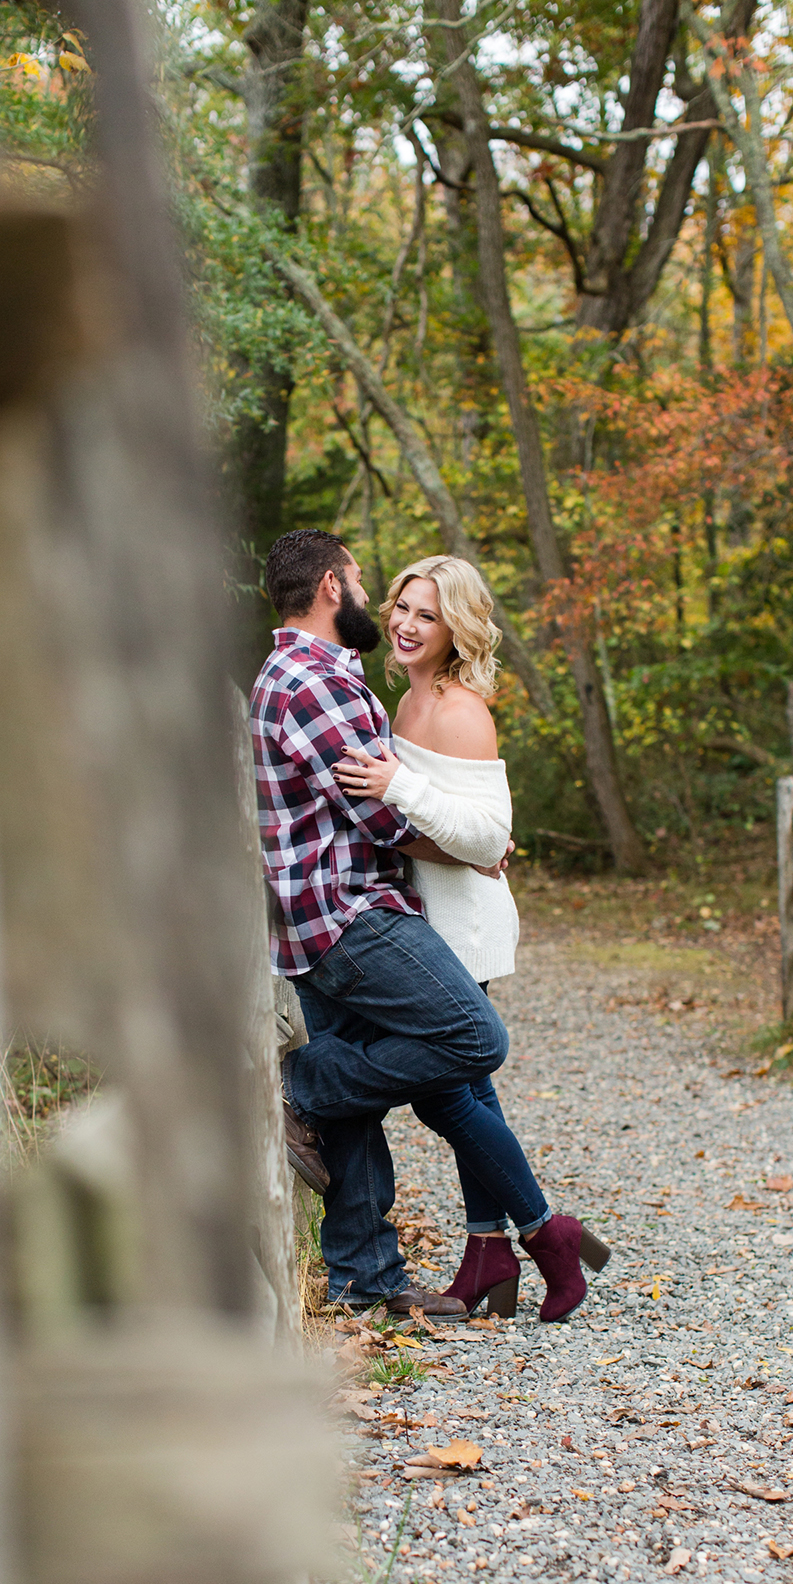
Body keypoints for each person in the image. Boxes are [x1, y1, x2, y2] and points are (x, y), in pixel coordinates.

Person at [333, 555, 610, 1323]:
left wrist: (398, 786)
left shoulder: (460, 709)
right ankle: (490, 1252)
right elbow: (436, 837)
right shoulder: (402, 701)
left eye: (427, 614)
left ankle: (547, 1235)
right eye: (402, 608)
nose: (406, 624)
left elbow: (491, 834)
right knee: (466, 1095)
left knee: (446, 1096)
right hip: (424, 919)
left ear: (457, 628)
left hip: (463, 926)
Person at [250, 528, 515, 1321]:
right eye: (369, 585)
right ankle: (298, 1085)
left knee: (354, 1104)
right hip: (349, 913)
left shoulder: (312, 673)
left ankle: (366, 1281)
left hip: (318, 915)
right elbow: (378, 819)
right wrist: (475, 848)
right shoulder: (317, 683)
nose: (380, 605)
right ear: (334, 586)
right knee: (476, 1039)